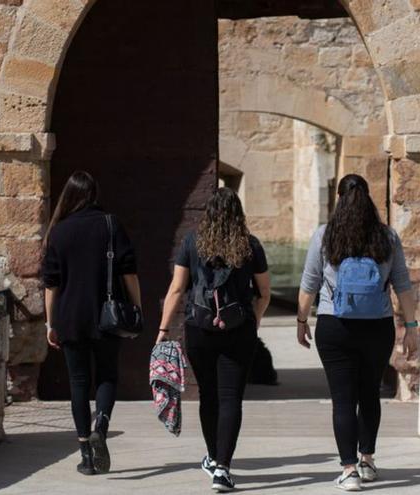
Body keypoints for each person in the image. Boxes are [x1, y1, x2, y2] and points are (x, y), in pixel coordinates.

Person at [296, 174, 419, 492]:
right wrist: (411, 326)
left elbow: (310, 282)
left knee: (342, 399)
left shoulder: (325, 235)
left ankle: (348, 470)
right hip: (377, 327)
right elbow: (402, 284)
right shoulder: (386, 237)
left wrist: (301, 320)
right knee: (369, 394)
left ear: (339, 199)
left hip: (334, 325)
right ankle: (367, 461)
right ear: (368, 199)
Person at [156, 187, 271, 493]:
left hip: (200, 330)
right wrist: (253, 320)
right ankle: (222, 467)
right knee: (231, 398)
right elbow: (265, 291)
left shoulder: (192, 242)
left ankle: (212, 456)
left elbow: (177, 289)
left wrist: (162, 330)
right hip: (239, 331)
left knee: (209, 396)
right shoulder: (250, 244)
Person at [42, 171, 141, 476]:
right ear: (94, 193)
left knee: (78, 383)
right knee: (108, 375)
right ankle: (103, 425)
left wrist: (50, 323)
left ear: (69, 196)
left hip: (70, 317)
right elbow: (129, 272)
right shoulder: (111, 225)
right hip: (106, 316)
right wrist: (137, 306)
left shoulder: (58, 232)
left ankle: (86, 454)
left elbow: (51, 284)